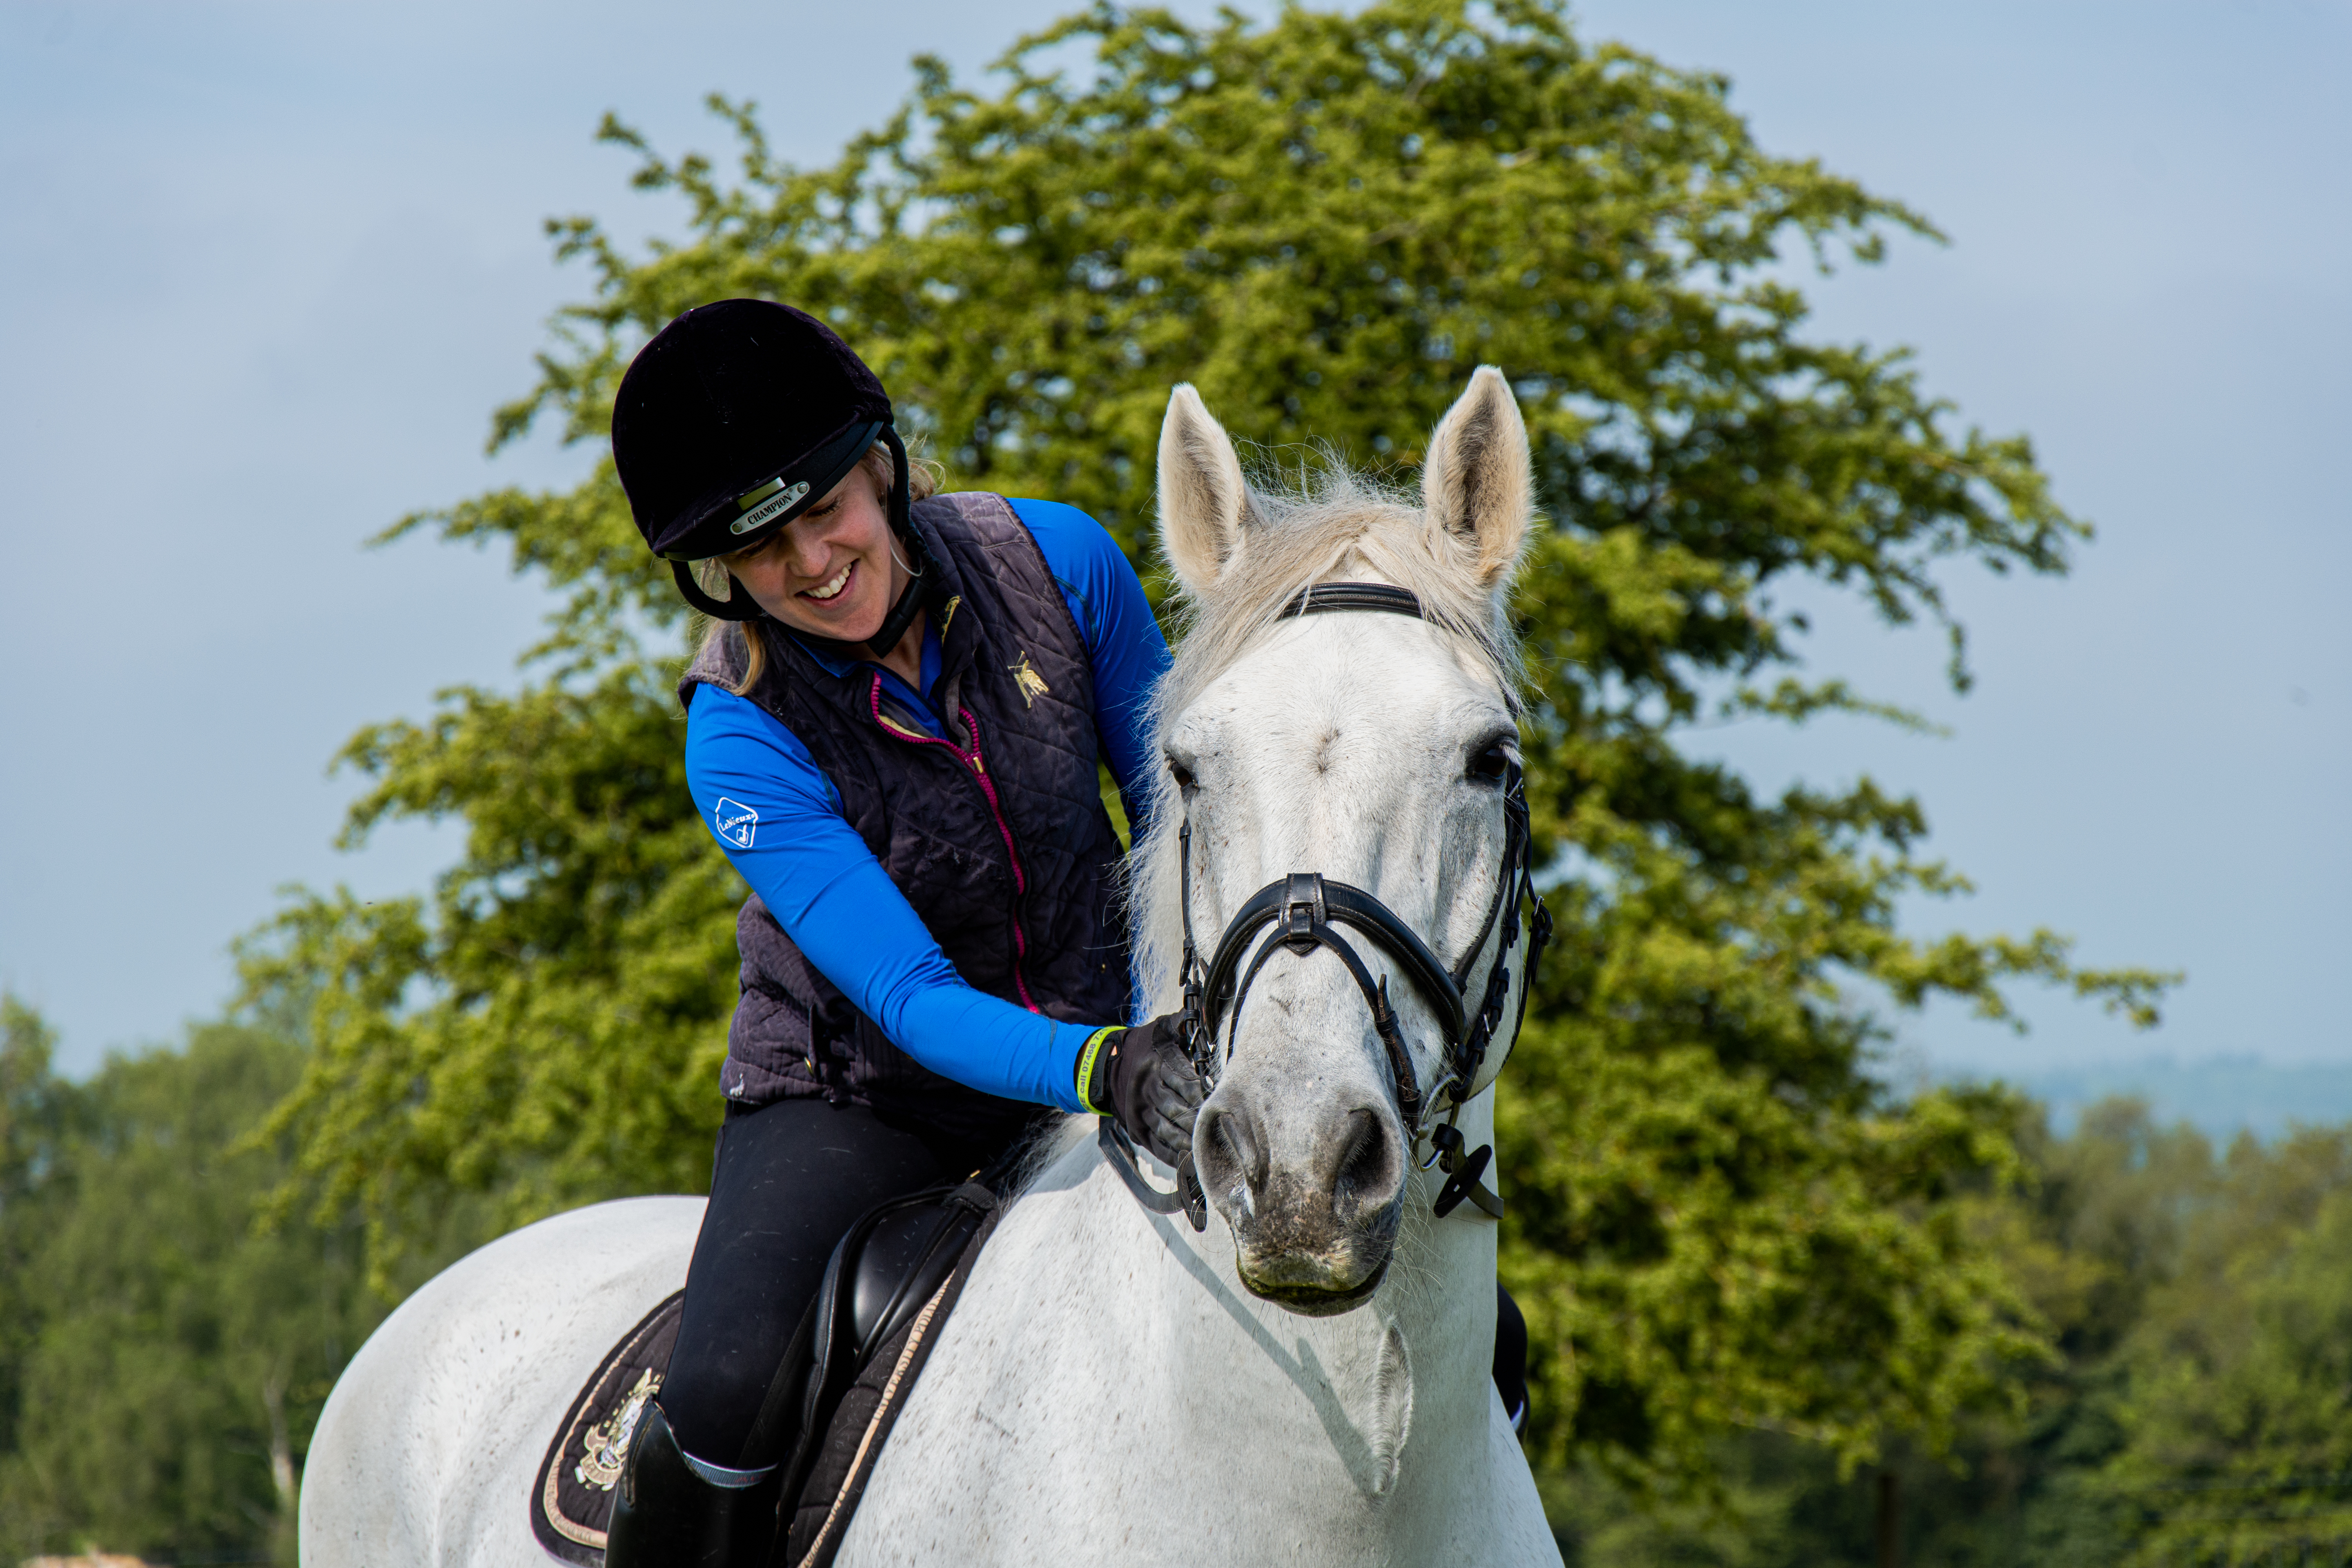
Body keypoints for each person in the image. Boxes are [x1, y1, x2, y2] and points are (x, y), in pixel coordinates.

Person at [601, 299, 1201, 1565]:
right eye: (762, 553)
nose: (814, 565)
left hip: (1123, 1030)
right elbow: (913, 1000)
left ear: (880, 466)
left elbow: (1176, 828)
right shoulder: (738, 732)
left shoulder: (1063, 563)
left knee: (1449, 1303)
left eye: (828, 512)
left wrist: (1184, 1024)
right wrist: (1105, 1064)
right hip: (867, 1095)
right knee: (716, 1400)